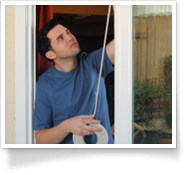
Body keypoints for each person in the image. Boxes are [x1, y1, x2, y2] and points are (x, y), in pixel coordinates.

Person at [34, 6, 114, 144]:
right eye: (60, 38)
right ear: (51, 54)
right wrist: (66, 126)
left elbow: (125, 39)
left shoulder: (93, 63)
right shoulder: (43, 85)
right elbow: (40, 139)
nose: (69, 37)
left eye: (68, 32)